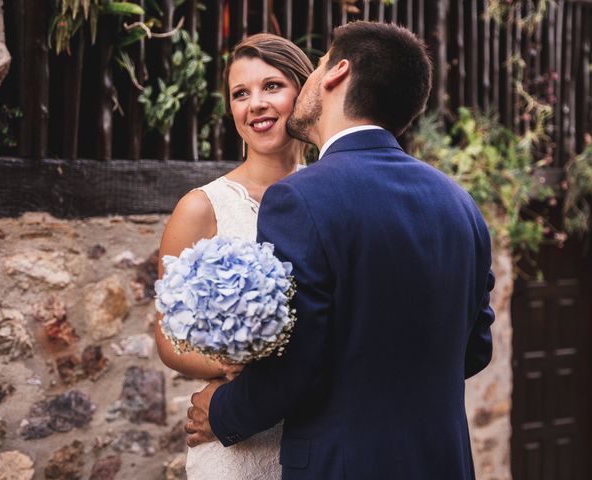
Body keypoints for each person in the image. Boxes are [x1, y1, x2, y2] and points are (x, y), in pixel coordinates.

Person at [186, 21, 496, 480]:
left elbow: (296, 365)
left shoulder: (300, 198)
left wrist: (219, 413)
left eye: (319, 64)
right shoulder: (459, 204)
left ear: (336, 73)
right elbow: (475, 351)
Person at [154, 33, 313, 480]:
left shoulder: (329, 198)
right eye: (241, 94)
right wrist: (232, 361)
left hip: (317, 432)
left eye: (272, 86)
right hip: (237, 443)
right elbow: (168, 339)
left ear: (303, 92)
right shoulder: (201, 207)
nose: (255, 104)